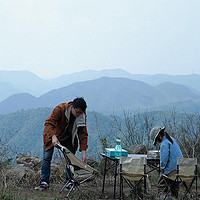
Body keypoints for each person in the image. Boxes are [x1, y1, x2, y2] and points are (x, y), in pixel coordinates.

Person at [35, 97, 88, 190]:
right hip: (52, 135)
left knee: (70, 158)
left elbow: (83, 133)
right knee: (47, 157)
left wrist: (84, 152)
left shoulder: (81, 116)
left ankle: (69, 182)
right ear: (72, 108)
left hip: (67, 137)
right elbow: (48, 123)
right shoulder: (60, 109)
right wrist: (53, 136)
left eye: (81, 113)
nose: (79, 115)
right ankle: (44, 182)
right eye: (78, 112)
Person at [150, 126, 183, 199]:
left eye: (156, 140)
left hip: (172, 171)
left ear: (159, 136)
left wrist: (162, 168)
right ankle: (174, 198)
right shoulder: (172, 139)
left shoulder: (164, 143)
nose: (157, 142)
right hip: (180, 169)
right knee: (174, 188)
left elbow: (164, 159)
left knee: (161, 186)